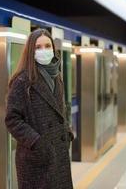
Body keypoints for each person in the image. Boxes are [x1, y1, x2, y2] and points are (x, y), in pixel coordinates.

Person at [5, 28, 74, 189]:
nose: (44, 51)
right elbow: (12, 119)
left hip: (57, 152)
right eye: (38, 47)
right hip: (37, 159)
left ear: (53, 49)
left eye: (47, 46)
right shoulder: (22, 81)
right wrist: (37, 142)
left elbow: (60, 110)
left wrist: (67, 131)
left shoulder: (57, 77)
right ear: (31, 51)